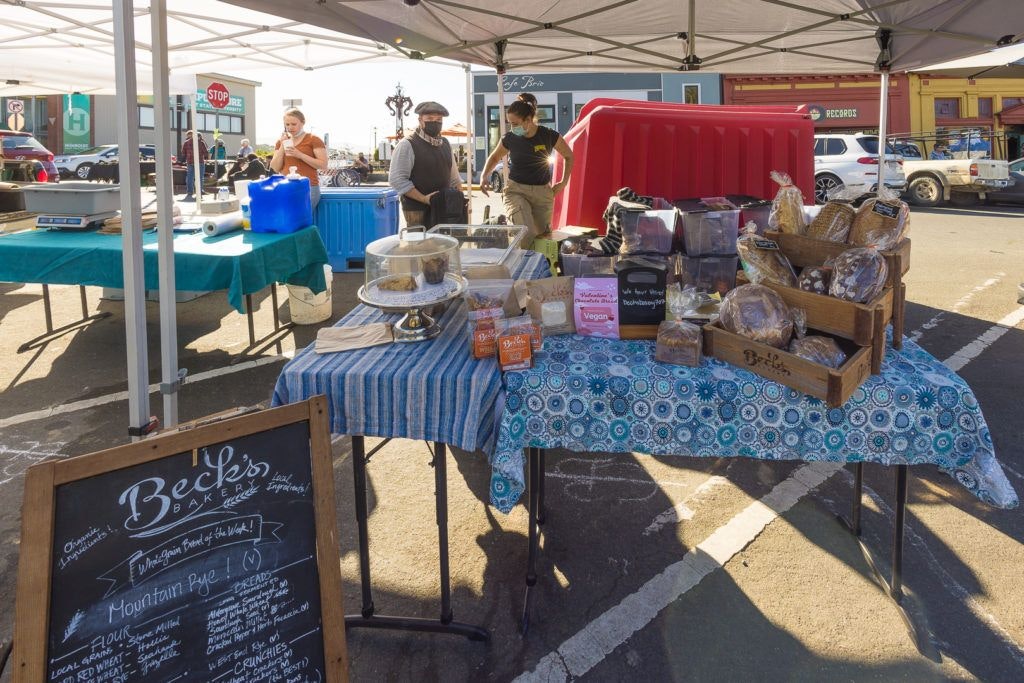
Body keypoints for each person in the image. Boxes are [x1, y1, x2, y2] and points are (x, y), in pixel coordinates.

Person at [480, 98, 574, 241]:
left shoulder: (549, 135)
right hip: (516, 191)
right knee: (526, 234)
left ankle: (538, 263)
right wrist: (484, 176)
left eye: (515, 124)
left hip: (542, 193)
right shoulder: (509, 138)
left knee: (543, 239)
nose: (512, 128)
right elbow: (494, 158)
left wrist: (564, 182)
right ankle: (523, 261)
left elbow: (569, 156)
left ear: (528, 120)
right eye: (510, 124)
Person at [388, 101, 463, 227]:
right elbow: (397, 180)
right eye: (429, 118)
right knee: (420, 246)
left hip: (444, 208)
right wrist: (424, 198)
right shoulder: (407, 144)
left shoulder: (445, 144)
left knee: (444, 245)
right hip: (417, 211)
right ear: (420, 120)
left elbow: (454, 178)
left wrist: (462, 200)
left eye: (438, 119)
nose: (435, 122)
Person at [270, 107, 328, 209]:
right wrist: (283, 146)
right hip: (286, 187)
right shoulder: (280, 142)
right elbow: (275, 167)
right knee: (288, 222)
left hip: (308, 188)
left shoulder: (313, 139)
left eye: (293, 124)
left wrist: (300, 155)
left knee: (300, 222)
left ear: (302, 123)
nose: (290, 127)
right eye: (287, 124)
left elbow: (323, 165)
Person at [179, 130, 209, 201]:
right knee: (200, 177)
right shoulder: (201, 142)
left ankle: (190, 192)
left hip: (190, 162)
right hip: (200, 162)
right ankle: (199, 191)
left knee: (190, 177)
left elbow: (183, 152)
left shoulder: (186, 142)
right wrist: (206, 157)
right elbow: (205, 153)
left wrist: (185, 158)